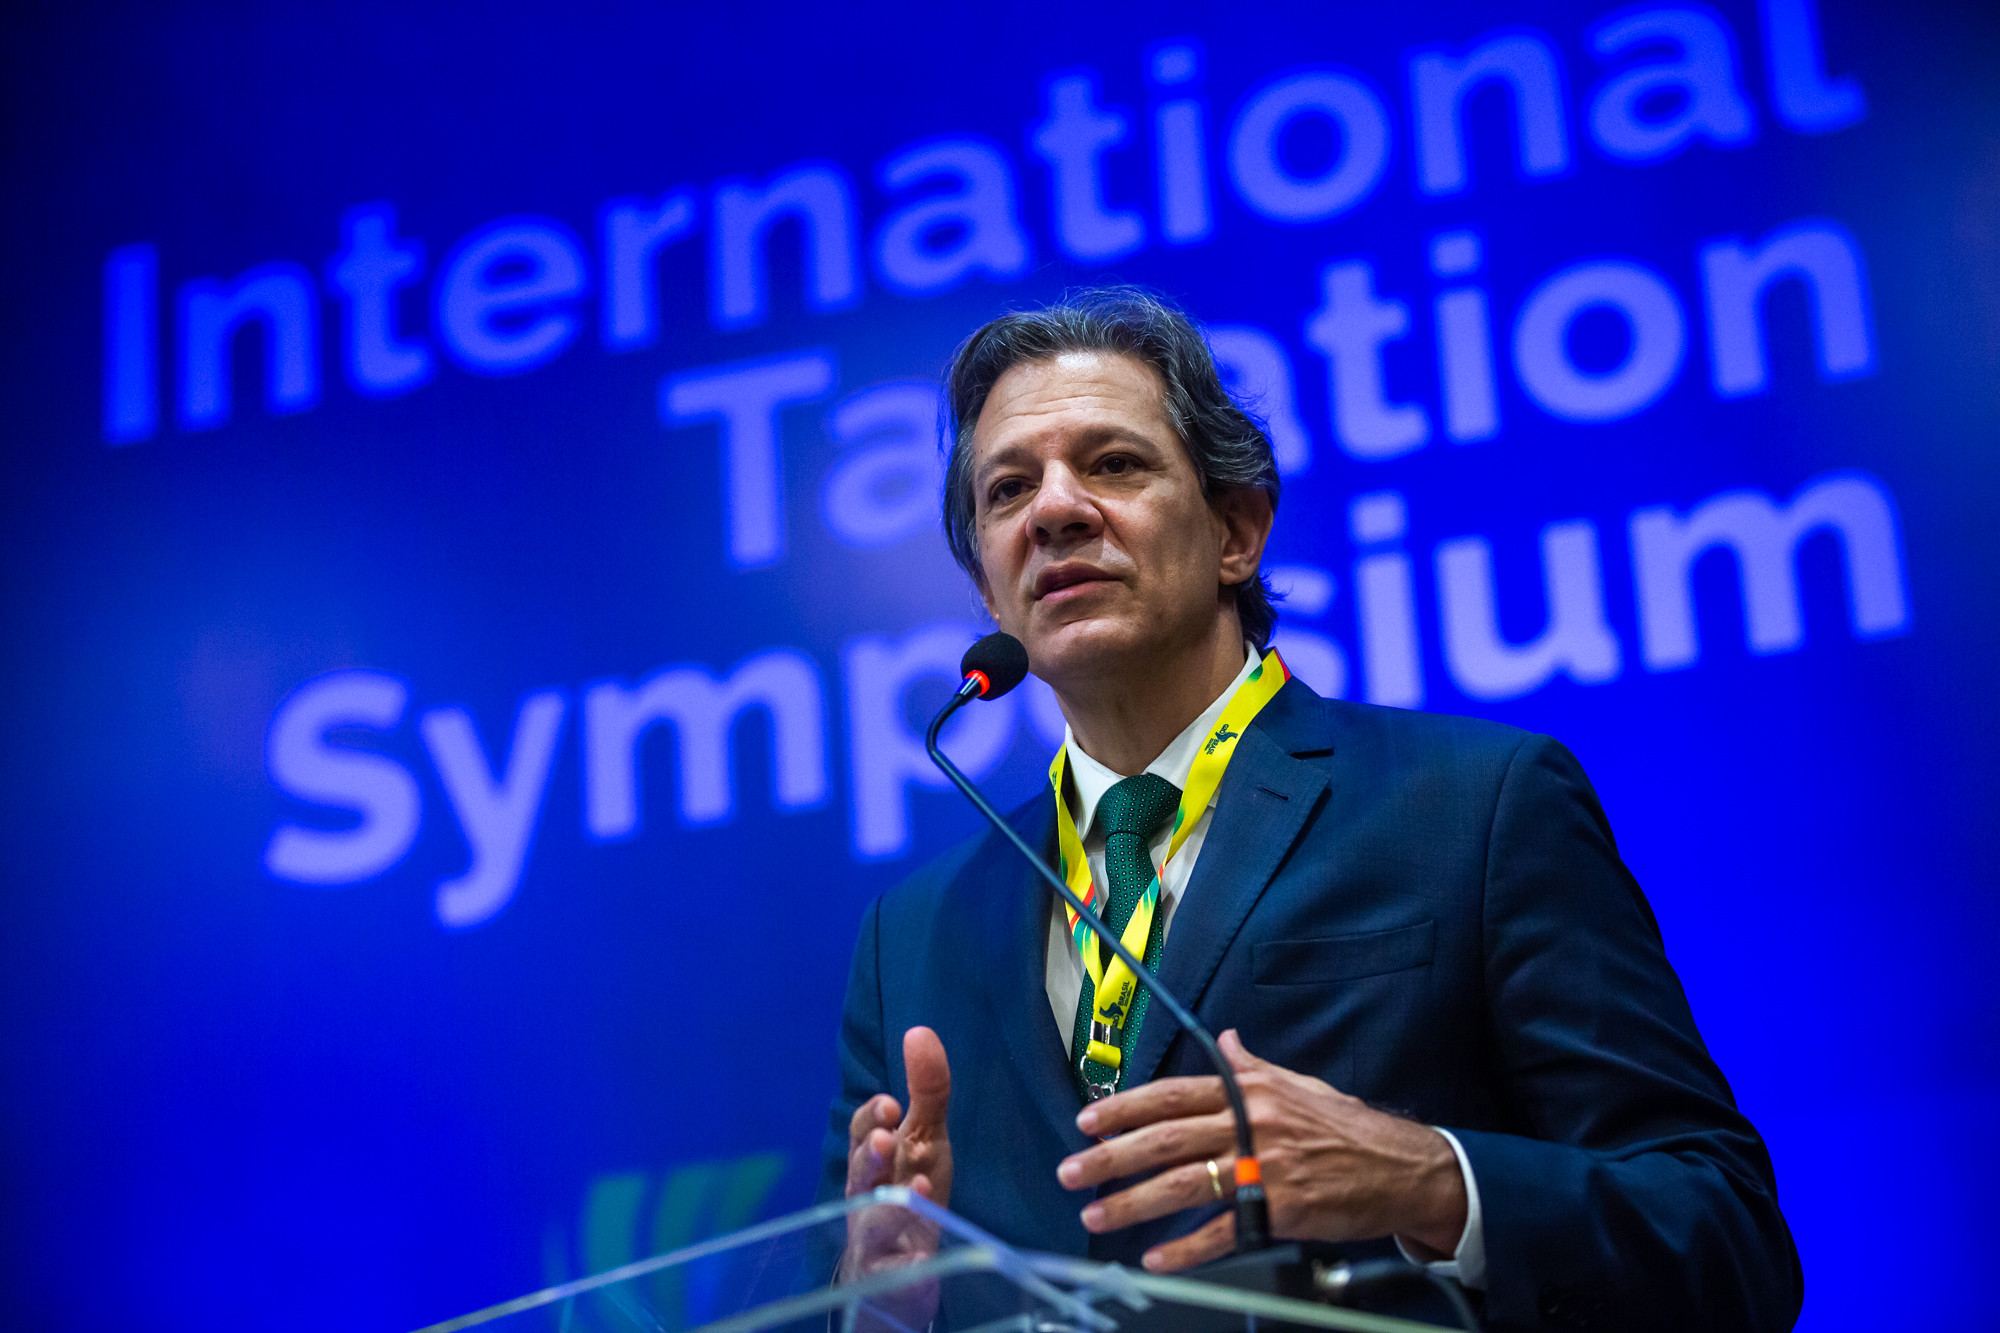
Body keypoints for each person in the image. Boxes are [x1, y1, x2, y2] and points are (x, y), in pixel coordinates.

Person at [817, 288, 1801, 1331]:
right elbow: (851, 1292)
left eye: (1111, 463)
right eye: (1007, 488)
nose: (1054, 508)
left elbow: (1723, 1239)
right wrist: (877, 1303)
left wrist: (1428, 1179)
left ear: (1236, 529)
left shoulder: (1474, 805)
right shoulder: (911, 936)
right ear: (986, 590)